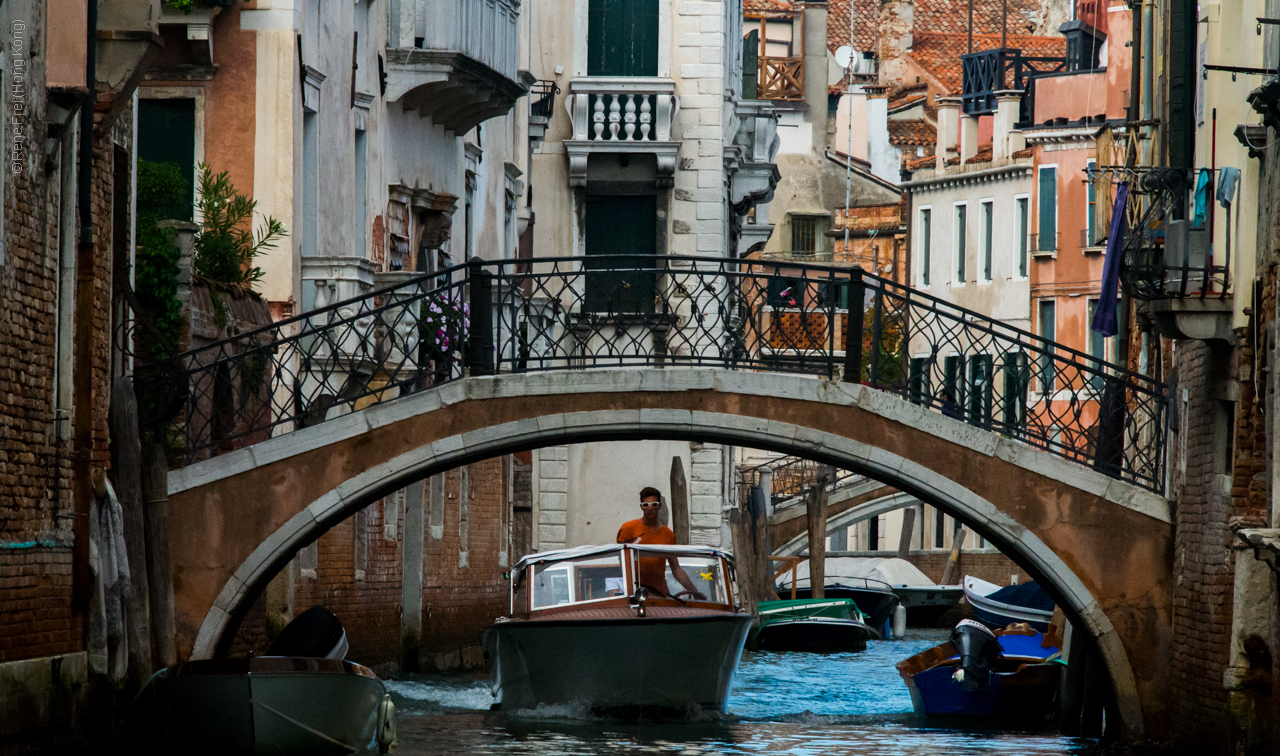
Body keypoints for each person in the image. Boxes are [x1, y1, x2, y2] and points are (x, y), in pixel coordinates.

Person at [616, 487, 707, 600]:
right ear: (641, 507)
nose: (649, 508)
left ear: (659, 506)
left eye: (654, 505)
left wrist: (695, 592)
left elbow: (676, 568)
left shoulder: (668, 534)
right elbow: (621, 563)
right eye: (646, 505)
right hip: (635, 593)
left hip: (660, 593)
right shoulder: (628, 528)